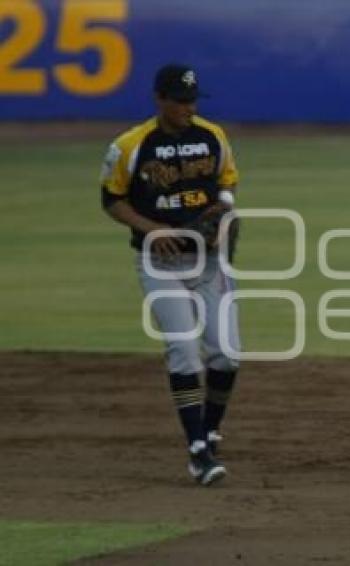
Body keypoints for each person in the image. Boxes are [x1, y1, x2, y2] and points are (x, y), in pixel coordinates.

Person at [100, 63, 241, 486]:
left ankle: (211, 428)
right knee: (183, 351)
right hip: (159, 265)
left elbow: (227, 186)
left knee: (227, 353)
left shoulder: (212, 136)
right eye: (179, 100)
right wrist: (151, 228)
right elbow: (111, 200)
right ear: (159, 99)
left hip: (208, 261)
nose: (187, 107)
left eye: (192, 100)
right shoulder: (130, 145)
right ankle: (198, 450)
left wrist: (223, 212)